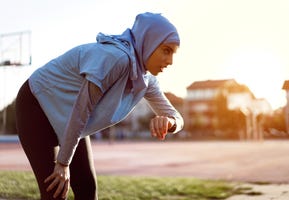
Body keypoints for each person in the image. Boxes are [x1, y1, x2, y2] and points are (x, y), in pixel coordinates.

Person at [16, 12, 184, 200]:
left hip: (71, 119)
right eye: (166, 50)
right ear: (149, 41)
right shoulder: (115, 58)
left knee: (88, 190)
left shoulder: (145, 80)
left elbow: (177, 117)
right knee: (55, 192)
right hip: (37, 105)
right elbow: (82, 109)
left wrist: (169, 121)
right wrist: (63, 163)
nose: (170, 61)